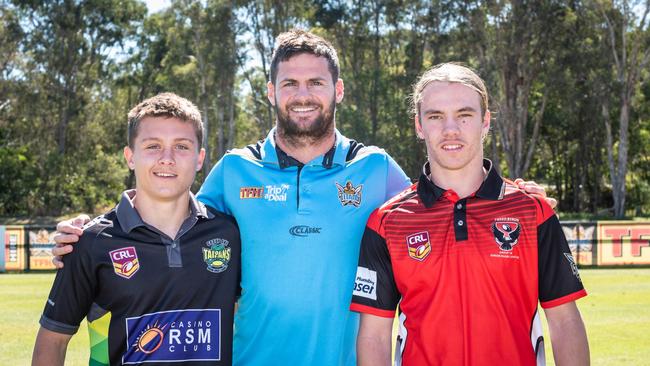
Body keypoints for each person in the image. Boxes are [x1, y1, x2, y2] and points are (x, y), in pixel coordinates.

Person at [52, 31, 552, 366]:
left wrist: (512, 191)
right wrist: (91, 229)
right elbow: (167, 221)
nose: (303, 93)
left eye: (316, 82)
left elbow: (443, 203)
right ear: (271, 91)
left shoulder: (375, 167)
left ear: (339, 91)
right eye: (290, 82)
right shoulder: (232, 170)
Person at [350, 63, 589, 366]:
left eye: (465, 115)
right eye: (435, 116)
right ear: (419, 125)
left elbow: (565, 322)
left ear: (485, 121)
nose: (451, 129)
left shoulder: (532, 212)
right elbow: (374, 334)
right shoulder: (387, 222)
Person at [33, 93, 241, 366]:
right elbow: (53, 340)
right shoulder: (90, 242)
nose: (167, 158)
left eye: (181, 146)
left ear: (199, 158)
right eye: (153, 146)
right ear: (130, 157)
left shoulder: (229, 235)